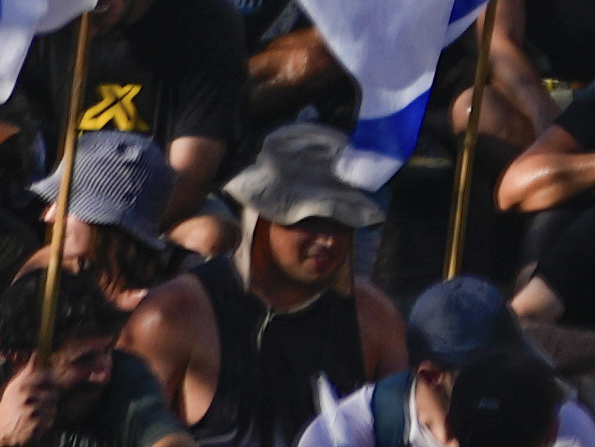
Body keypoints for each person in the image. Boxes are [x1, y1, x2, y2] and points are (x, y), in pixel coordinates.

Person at [129, 124, 408, 447]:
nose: (328, 240)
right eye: (310, 221)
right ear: (261, 219)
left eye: (342, 222)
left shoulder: (373, 319)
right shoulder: (173, 316)